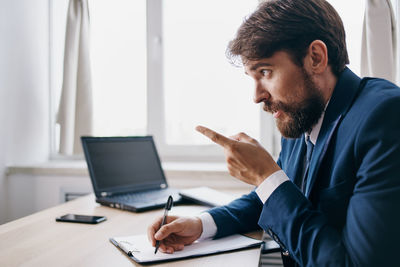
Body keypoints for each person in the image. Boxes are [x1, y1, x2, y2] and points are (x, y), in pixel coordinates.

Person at [147, 0, 400, 266]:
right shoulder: (302, 114)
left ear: (315, 57)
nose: (256, 96)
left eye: (265, 71)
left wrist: (265, 175)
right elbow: (272, 197)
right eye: (251, 77)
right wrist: (202, 224)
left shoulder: (384, 117)